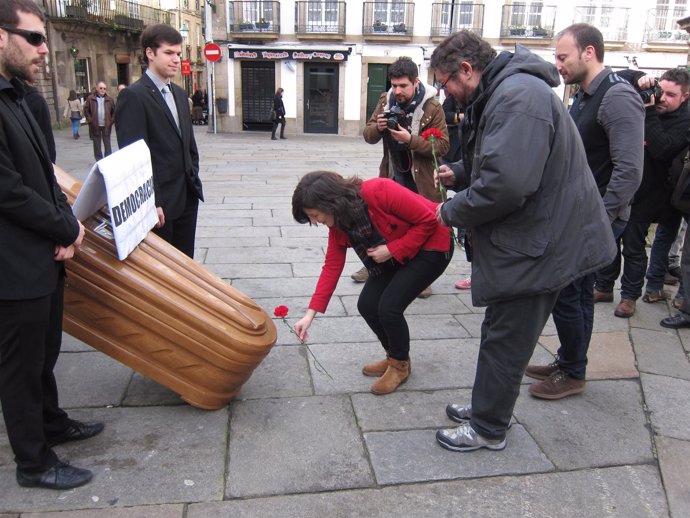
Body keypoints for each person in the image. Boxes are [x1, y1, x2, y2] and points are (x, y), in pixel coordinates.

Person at [430, 31, 614, 452]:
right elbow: (505, 158)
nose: (446, 93)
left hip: (542, 240)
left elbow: (507, 185)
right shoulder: (508, 90)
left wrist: (449, 211)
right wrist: (460, 171)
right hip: (538, 234)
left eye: (446, 83)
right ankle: (487, 406)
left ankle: (489, 426)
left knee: (506, 336)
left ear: (467, 69)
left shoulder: (517, 96)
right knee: (501, 329)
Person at [0, 0, 104, 490]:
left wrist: (69, 223)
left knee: (44, 352)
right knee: (19, 368)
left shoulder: (19, 96)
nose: (45, 49)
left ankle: (51, 423)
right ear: (1, 37)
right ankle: (34, 463)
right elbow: (7, 191)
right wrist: (64, 230)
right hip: (11, 264)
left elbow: (44, 176)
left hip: (42, 253)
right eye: (34, 39)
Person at [525, 24, 643, 399]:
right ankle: (571, 360)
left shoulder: (618, 96)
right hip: (579, 214)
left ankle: (574, 371)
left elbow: (629, 170)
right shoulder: (584, 95)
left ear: (588, 52)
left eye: (563, 57)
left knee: (569, 292)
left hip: (596, 219)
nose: (557, 64)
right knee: (574, 292)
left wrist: (601, 220)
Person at [292, 172, 453, 395]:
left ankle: (399, 367)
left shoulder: (380, 191)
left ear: (330, 202)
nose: (314, 221)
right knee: (367, 304)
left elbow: (429, 219)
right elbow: (331, 266)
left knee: (389, 307)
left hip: (433, 245)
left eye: (314, 214)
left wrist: (392, 250)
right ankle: (396, 356)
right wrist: (309, 315)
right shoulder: (339, 222)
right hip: (394, 253)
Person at [594, 68, 690, 317]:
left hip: (650, 196)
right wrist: (640, 78)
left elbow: (661, 149)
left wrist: (648, 112)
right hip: (621, 188)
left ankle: (629, 296)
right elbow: (615, 74)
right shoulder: (647, 104)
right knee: (609, 242)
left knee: (634, 248)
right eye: (661, 91)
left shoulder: (684, 122)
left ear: (685, 97)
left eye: (671, 94)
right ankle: (604, 286)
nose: (662, 98)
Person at [352, 57, 449, 290]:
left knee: (422, 223)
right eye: (394, 85)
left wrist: (411, 140)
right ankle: (379, 266)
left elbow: (444, 146)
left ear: (416, 82)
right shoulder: (386, 101)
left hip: (421, 179)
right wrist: (379, 127)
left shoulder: (431, 107)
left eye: (403, 86)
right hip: (393, 174)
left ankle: (420, 278)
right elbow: (368, 134)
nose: (398, 91)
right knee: (387, 222)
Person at [115, 23, 204, 258]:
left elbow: (189, 146)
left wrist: (193, 177)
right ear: (150, 53)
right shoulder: (133, 97)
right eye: (169, 53)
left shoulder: (179, 93)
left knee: (186, 266)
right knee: (165, 271)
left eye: (178, 53)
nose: (176, 59)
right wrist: (152, 201)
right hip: (160, 207)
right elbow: (132, 158)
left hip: (187, 197)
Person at [83, 80, 115, 161]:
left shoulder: (110, 99)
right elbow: (86, 110)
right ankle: (99, 160)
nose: (103, 90)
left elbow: (114, 111)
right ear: (97, 88)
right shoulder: (90, 98)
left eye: (104, 88)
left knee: (107, 145)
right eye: (101, 88)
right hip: (95, 125)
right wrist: (90, 120)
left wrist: (111, 121)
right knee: (97, 145)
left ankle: (108, 160)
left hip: (106, 125)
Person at [24, 82, 56, 162]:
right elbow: (47, 134)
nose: (37, 68)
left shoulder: (36, 100)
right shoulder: (36, 100)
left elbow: (47, 134)